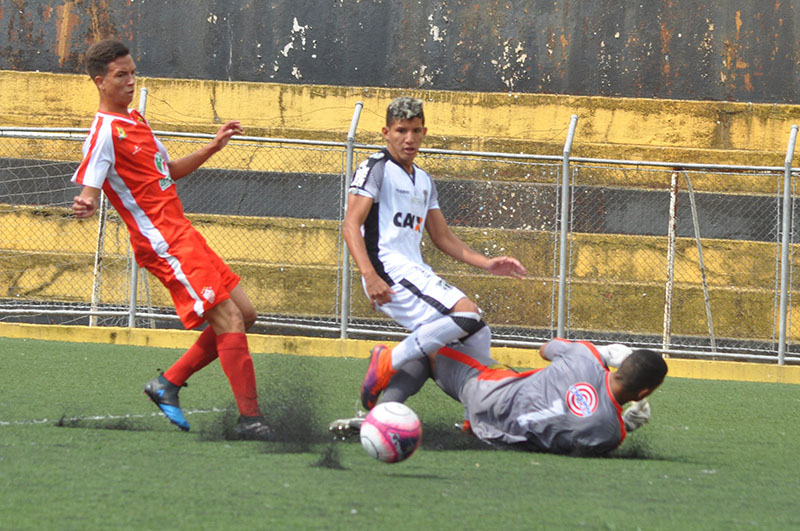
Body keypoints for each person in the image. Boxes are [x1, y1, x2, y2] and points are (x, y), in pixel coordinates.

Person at [71, 39, 269, 439]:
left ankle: (168, 384)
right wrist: (87, 203)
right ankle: (251, 420)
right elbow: (90, 187)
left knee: (246, 315)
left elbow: (168, 171)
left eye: (132, 73)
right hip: (162, 242)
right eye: (120, 75)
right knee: (229, 319)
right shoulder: (104, 132)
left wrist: (213, 146)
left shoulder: (136, 121)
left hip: (182, 231)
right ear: (99, 82)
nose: (130, 81)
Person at [342, 96, 527, 412]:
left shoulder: (424, 180)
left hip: (415, 269)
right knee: (467, 314)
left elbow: (442, 237)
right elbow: (350, 224)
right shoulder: (375, 167)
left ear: (424, 131)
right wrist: (369, 275)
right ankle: (387, 361)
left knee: (474, 334)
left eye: (415, 130)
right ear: (386, 132)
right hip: (387, 269)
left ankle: (392, 410)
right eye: (401, 130)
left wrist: (487, 263)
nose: (409, 139)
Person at [332, 338, 667, 456]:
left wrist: (604, 351)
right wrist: (626, 424)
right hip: (489, 434)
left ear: (621, 364)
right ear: (645, 392)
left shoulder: (585, 358)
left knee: (428, 349)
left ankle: (381, 414)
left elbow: (546, 349)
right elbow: (584, 441)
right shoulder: (610, 433)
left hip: (489, 392)